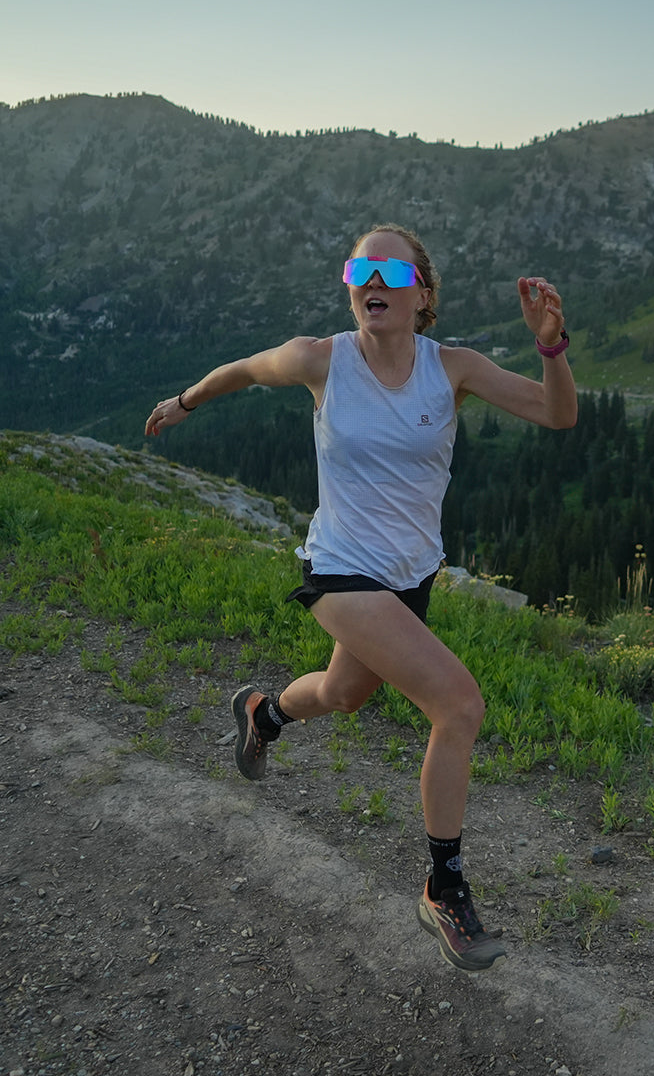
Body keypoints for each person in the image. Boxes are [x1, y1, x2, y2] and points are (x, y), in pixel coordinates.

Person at [144, 223, 578, 971]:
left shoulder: (454, 369)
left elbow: (557, 414)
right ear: (351, 286)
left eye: (392, 271)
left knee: (345, 694)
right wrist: (185, 399)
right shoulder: (322, 359)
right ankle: (444, 886)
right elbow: (245, 370)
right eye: (360, 268)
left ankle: (264, 712)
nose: (373, 280)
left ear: (422, 294)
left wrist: (551, 345)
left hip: (409, 577)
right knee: (459, 706)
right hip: (340, 568)